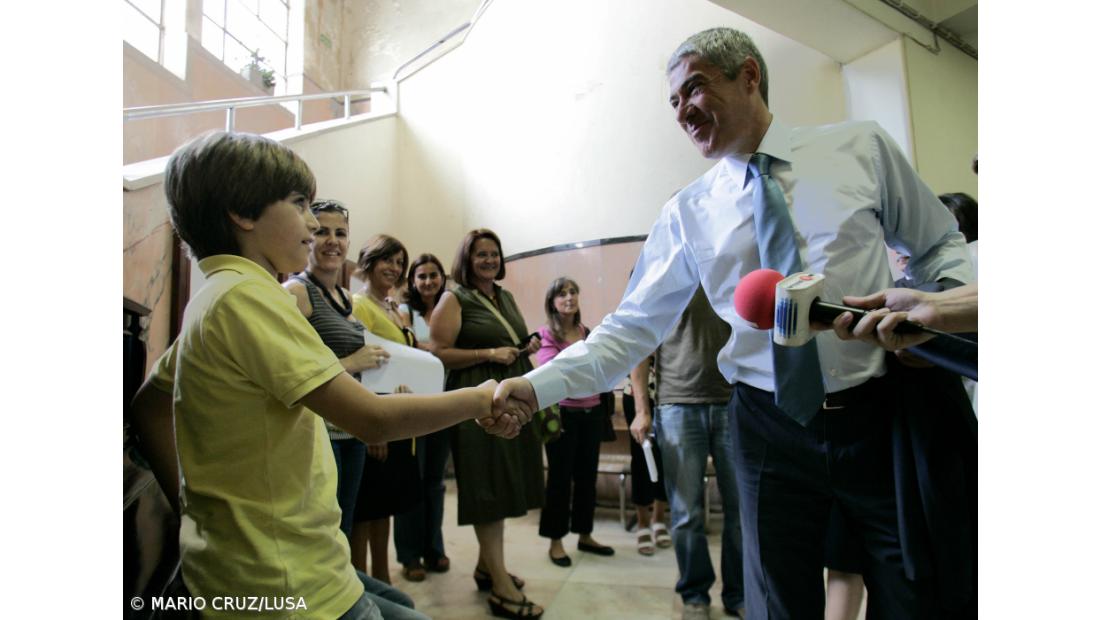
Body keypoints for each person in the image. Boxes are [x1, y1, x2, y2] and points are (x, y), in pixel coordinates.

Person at [494, 27, 973, 618]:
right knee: (777, 601)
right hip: (768, 428)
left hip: (878, 413)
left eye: (693, 89)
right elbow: (630, 329)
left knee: (912, 589)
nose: (683, 112)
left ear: (749, 75)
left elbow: (940, 246)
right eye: (673, 102)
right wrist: (537, 387)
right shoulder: (688, 213)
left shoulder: (861, 149)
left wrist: (934, 314)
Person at [129, 130, 520, 620]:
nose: (314, 225)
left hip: (263, 559)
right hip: (283, 579)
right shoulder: (251, 299)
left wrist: (194, 509)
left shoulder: (214, 295)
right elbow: (371, 419)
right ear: (243, 213)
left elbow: (148, 404)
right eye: (299, 205)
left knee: (395, 600)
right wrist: (481, 400)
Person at [430, 228, 546, 619]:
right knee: (488, 488)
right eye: (481, 255)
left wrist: (518, 348)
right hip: (476, 403)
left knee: (504, 484)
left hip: (506, 398)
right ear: (467, 258)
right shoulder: (453, 297)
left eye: (494, 254)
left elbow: (504, 337)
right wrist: (489, 352)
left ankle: (486, 566)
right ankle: (500, 586)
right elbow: (439, 353)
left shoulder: (505, 296)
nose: (489, 261)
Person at [631, 287, 744, 620]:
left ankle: (737, 594)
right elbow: (641, 348)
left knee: (740, 513)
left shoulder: (729, 272)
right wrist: (642, 409)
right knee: (685, 513)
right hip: (677, 405)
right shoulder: (669, 279)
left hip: (733, 402)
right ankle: (695, 595)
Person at [283, 199, 390, 539]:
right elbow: (288, 371)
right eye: (321, 231)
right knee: (324, 531)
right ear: (307, 237)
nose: (332, 240)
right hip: (320, 433)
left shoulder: (345, 297)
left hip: (351, 430)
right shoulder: (297, 291)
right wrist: (352, 363)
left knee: (344, 526)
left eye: (340, 233)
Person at [350, 234, 421, 585]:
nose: (393, 268)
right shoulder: (358, 305)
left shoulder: (394, 307)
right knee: (365, 510)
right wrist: (368, 427)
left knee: (385, 507)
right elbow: (363, 366)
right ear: (368, 263)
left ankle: (382, 576)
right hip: (376, 416)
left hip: (398, 416)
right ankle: (362, 581)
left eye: (398, 262)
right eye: (387, 261)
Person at [535, 277, 615, 567]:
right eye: (562, 293)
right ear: (552, 301)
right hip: (563, 416)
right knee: (559, 479)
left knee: (586, 477)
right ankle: (556, 542)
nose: (569, 297)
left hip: (592, 413)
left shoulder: (587, 332)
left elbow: (599, 367)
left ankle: (585, 534)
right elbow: (549, 370)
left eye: (572, 292)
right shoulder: (546, 334)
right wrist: (581, 368)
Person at [394, 253, 453, 581]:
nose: (428, 281)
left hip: (444, 406)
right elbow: (409, 347)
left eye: (433, 275)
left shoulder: (449, 308)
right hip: (414, 406)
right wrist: (439, 349)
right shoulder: (405, 311)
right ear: (413, 282)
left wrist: (430, 347)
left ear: (441, 278)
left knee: (435, 483)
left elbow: (429, 348)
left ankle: (434, 548)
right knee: (411, 483)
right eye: (422, 277)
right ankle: (409, 556)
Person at [625, 357, 672, 555]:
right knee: (641, 459)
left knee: (666, 460)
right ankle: (643, 522)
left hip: (672, 392)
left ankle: (659, 519)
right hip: (637, 394)